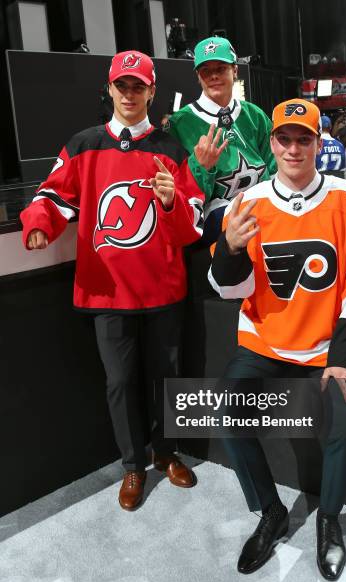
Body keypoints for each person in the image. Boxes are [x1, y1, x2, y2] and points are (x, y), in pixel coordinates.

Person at [20, 50, 205, 511]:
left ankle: (167, 453)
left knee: (166, 378)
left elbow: (193, 222)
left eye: (138, 86)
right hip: (107, 291)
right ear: (109, 89)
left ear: (151, 91)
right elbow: (53, 195)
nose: (129, 94)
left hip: (162, 287)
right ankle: (131, 466)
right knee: (120, 382)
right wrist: (40, 221)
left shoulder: (170, 149)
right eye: (122, 86)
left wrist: (170, 204)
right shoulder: (83, 145)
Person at [209, 98, 346, 581]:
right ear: (272, 143)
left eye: (303, 138)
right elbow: (229, 287)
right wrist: (229, 249)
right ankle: (270, 511)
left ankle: (329, 519)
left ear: (317, 143)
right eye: (284, 139)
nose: (293, 148)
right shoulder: (248, 204)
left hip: (327, 346)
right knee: (224, 407)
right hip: (264, 340)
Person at [165, 36, 277, 244]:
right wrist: (201, 168)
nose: (214, 76)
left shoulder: (255, 115)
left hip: (266, 220)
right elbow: (179, 196)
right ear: (198, 75)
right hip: (215, 233)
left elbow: (275, 167)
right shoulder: (179, 125)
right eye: (206, 70)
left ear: (235, 71)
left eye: (221, 68)